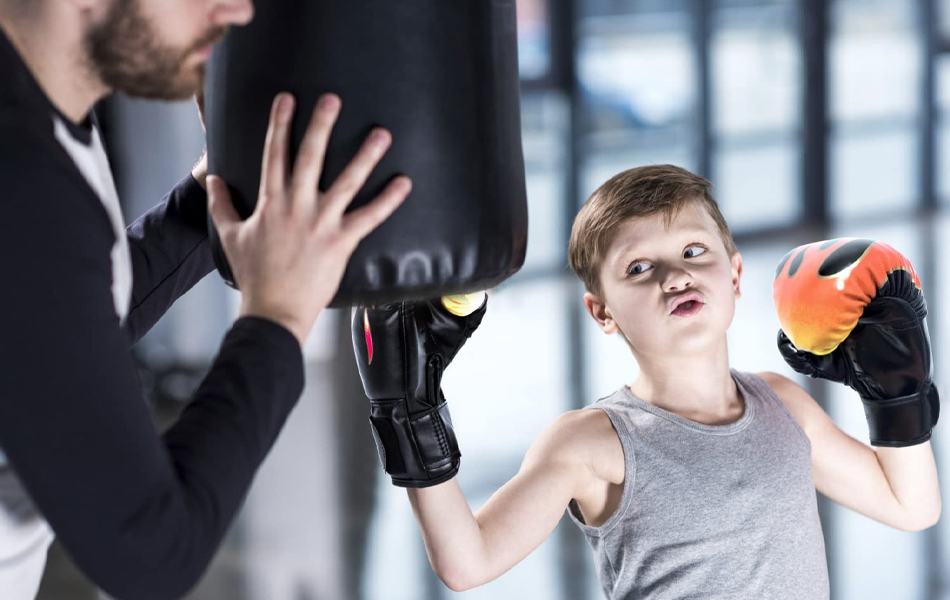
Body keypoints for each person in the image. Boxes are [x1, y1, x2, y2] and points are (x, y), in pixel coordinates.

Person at [353, 164, 941, 598]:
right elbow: (468, 563)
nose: (675, 275)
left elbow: (911, 507)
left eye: (693, 250)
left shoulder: (782, 402)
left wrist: (895, 392)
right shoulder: (592, 442)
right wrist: (407, 409)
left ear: (735, 274)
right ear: (601, 311)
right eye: (639, 267)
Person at [0, 0, 410, 598]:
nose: (236, 9)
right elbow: (150, 553)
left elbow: (57, 331)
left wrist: (212, 194)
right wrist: (279, 316)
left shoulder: (34, 120)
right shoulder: (24, 185)